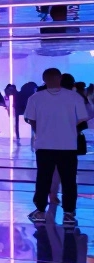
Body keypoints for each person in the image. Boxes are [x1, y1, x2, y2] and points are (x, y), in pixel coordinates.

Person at [24, 67, 88, 225]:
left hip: (44, 145)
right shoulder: (74, 97)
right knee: (69, 180)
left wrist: (40, 130)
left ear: (44, 80)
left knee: (43, 178)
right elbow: (82, 118)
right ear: (60, 78)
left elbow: (31, 119)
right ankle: (69, 213)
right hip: (68, 145)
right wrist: (67, 126)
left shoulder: (35, 98)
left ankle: (40, 210)